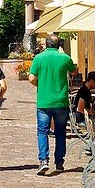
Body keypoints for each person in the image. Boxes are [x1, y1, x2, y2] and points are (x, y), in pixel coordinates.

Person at [28, 34, 75, 175]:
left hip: (44, 101)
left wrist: (40, 84)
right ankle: (59, 161)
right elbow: (75, 71)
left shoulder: (39, 58)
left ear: (46, 44)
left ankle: (44, 160)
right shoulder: (64, 58)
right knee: (60, 132)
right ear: (59, 44)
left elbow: (31, 78)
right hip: (61, 101)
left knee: (42, 131)